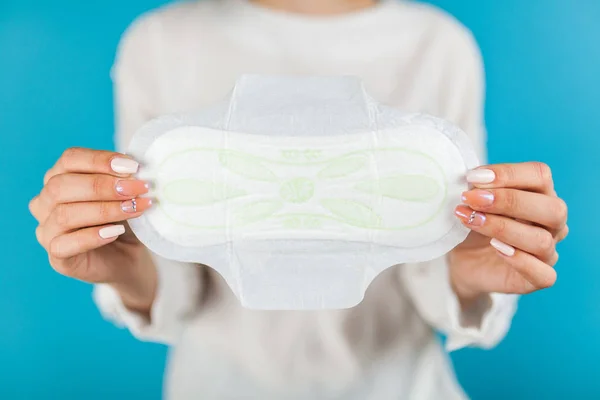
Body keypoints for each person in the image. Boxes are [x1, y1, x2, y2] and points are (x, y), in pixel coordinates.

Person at [28, 0, 569, 398]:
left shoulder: (437, 44)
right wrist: (124, 268)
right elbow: (177, 281)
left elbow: (429, 261)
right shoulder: (163, 42)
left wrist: (471, 265)